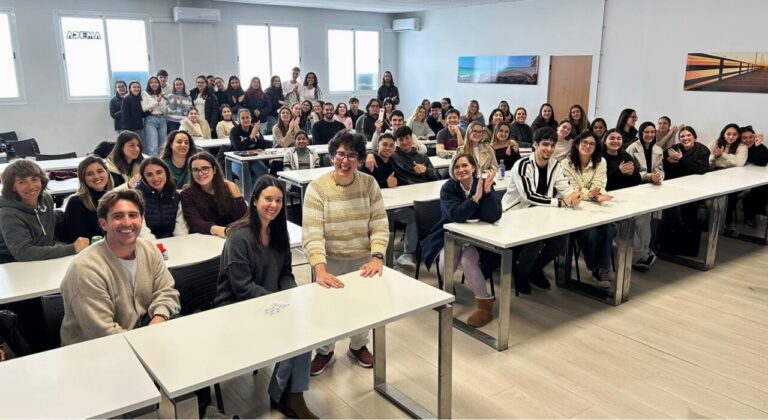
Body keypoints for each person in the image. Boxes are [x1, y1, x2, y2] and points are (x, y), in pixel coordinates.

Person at [58, 188, 185, 406]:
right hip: (94, 358)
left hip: (141, 338)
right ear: (103, 223)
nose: (127, 222)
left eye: (133, 215)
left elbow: (167, 291)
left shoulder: (148, 249)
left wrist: (157, 322)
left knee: (187, 377)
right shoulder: (86, 269)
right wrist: (150, 346)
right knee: (160, 398)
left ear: (141, 219)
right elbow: (104, 334)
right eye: (118, 216)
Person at [215, 176, 318, 419]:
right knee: (298, 331)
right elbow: (242, 287)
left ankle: (290, 394)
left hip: (269, 303)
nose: (273, 205)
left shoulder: (278, 232)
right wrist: (280, 304)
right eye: (268, 199)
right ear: (254, 200)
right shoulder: (238, 237)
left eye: (278, 200)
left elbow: (285, 274)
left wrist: (294, 295)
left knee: (308, 328)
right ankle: (286, 395)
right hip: (237, 308)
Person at [302, 131, 389, 376]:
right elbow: (312, 232)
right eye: (340, 154)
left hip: (362, 259)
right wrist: (320, 268)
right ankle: (324, 351)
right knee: (325, 309)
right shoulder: (317, 188)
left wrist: (377, 256)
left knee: (362, 306)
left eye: (351, 155)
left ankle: (358, 345)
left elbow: (379, 223)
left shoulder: (368, 184)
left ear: (360, 159)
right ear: (331, 157)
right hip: (328, 260)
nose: (345, 160)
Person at [421, 154, 501, 327]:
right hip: (450, 235)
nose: (460, 170)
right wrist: (475, 199)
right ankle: (447, 289)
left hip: (479, 237)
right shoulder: (449, 187)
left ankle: (484, 305)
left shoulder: (484, 184)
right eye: (456, 167)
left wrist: (486, 194)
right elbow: (455, 215)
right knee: (449, 257)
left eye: (465, 165)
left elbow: (493, 216)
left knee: (468, 260)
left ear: (473, 168)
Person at [502, 127, 580, 294]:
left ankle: (534, 269)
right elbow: (529, 196)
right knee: (536, 239)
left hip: (541, 213)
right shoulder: (522, 165)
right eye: (545, 144)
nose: (549, 149)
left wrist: (574, 196)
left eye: (552, 145)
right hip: (515, 214)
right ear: (535, 145)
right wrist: (560, 202)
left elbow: (565, 187)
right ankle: (521, 274)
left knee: (560, 241)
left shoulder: (555, 165)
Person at [0, 160, 89, 263]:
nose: (31, 186)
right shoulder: (8, 214)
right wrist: (72, 248)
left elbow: (48, 218)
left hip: (42, 259)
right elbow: (23, 253)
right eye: (22, 182)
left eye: (34, 179)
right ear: (12, 187)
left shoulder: (45, 198)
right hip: (12, 264)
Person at [561, 131, 614, 288]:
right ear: (577, 144)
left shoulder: (601, 162)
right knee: (589, 232)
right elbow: (570, 189)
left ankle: (602, 268)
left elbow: (599, 184)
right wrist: (590, 194)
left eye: (591, 144)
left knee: (608, 228)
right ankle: (596, 268)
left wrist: (591, 194)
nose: (587, 146)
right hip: (573, 209)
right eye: (584, 142)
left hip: (595, 207)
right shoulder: (566, 163)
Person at [660, 126, 710, 256]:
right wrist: (669, 162)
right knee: (670, 218)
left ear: (694, 137)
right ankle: (668, 248)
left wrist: (681, 160)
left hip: (694, 188)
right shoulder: (673, 149)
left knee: (689, 218)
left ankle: (688, 250)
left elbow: (700, 170)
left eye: (688, 135)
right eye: (682, 136)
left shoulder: (703, 150)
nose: (685, 138)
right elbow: (667, 170)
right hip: (675, 188)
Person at [624, 121, 664, 271]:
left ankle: (645, 251)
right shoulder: (632, 148)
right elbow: (632, 172)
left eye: (652, 132)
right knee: (637, 221)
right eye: (646, 132)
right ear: (641, 133)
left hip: (652, 189)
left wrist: (659, 176)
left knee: (646, 221)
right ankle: (639, 254)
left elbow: (660, 168)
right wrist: (649, 176)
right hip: (635, 187)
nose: (649, 135)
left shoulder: (658, 149)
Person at [181, 152, 247, 238]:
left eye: (205, 168)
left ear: (214, 170)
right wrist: (222, 230)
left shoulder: (228, 188)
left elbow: (244, 217)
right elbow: (195, 222)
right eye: (195, 170)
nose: (200, 173)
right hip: (205, 239)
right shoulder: (187, 194)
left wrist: (237, 198)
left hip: (234, 237)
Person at [62, 156, 114, 243]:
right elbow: (77, 241)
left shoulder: (115, 197)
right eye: (90, 174)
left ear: (107, 173)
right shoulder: (76, 203)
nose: (96, 176)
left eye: (100, 171)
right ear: (83, 178)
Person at [135, 157, 189, 239]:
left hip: (172, 241)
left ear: (166, 172)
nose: (155, 178)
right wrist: (155, 247)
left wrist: (180, 243)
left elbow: (180, 229)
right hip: (148, 243)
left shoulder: (175, 195)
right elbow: (142, 230)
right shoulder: (137, 197)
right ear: (143, 177)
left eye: (159, 172)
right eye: (149, 175)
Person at [229, 108, 271, 188]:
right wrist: (251, 136)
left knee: (263, 171)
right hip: (236, 159)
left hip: (252, 159)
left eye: (247, 117)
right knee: (245, 173)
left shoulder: (253, 129)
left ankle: (255, 192)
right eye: (243, 118)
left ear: (251, 118)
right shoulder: (234, 131)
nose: (245, 120)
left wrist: (259, 138)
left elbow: (262, 146)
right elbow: (239, 147)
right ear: (238, 120)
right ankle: (247, 196)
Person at [740, 126, 768, 226]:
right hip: (738, 177)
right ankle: (750, 215)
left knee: (762, 186)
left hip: (753, 177)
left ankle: (752, 214)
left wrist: (757, 146)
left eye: (750, 137)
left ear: (755, 137)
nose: (748, 140)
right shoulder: (738, 147)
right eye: (744, 138)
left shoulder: (760, 147)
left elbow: (762, 162)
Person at [142, 76, 168, 156]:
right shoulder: (145, 93)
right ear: (149, 84)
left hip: (162, 119)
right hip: (151, 120)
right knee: (153, 147)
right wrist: (157, 101)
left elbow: (164, 110)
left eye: (156, 82)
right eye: (152, 82)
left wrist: (160, 101)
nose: (154, 84)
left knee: (163, 146)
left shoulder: (162, 94)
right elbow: (144, 108)